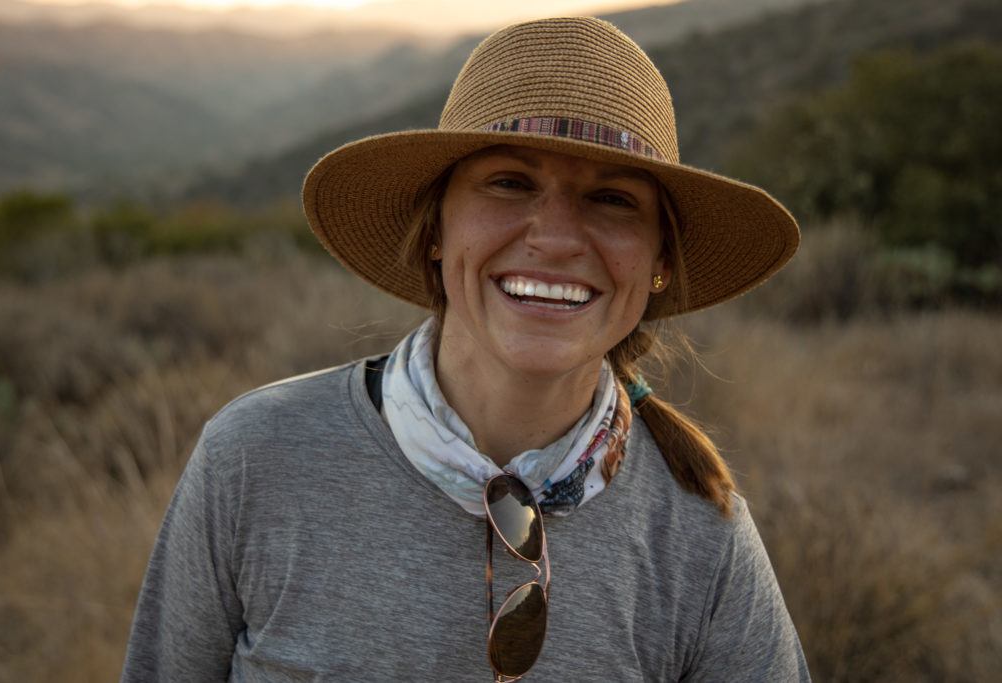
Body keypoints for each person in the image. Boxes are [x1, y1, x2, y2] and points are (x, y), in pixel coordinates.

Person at [122, 16, 811, 682]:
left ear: (659, 260)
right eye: (510, 183)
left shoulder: (701, 537)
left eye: (613, 199)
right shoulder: (256, 459)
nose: (558, 237)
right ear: (436, 229)